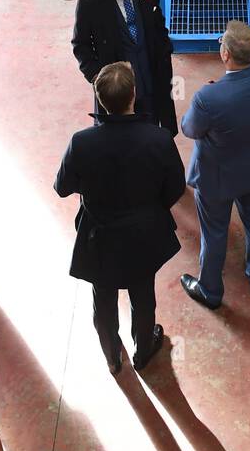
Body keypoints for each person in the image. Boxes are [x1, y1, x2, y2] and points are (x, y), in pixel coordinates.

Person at [54, 61, 186, 375]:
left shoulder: (82, 142)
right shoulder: (158, 139)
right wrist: (151, 210)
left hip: (100, 235)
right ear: (133, 96)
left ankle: (113, 356)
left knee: (103, 297)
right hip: (143, 233)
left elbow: (62, 187)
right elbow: (176, 188)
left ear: (99, 99)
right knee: (143, 295)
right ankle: (144, 350)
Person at [180, 21, 250, 310]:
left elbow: (189, 129)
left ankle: (211, 291)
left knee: (214, 233)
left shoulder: (208, 98)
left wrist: (208, 99)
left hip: (217, 179)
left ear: (225, 55)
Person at [72, 0, 177, 134]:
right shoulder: (90, 4)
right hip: (119, 89)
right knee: (119, 136)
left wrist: (165, 51)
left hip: (151, 78)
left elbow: (158, 25)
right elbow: (80, 45)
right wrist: (98, 77)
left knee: (152, 131)